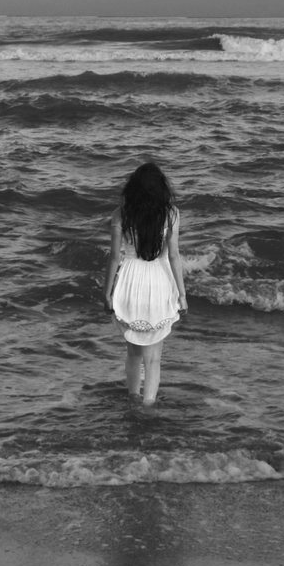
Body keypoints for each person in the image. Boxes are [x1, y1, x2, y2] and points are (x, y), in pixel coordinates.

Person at [103, 162, 187, 406]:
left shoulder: (122, 214)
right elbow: (173, 256)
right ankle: (148, 405)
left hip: (130, 282)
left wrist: (107, 293)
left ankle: (132, 397)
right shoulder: (171, 214)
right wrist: (182, 295)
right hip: (158, 282)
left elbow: (115, 256)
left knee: (133, 353)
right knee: (153, 359)